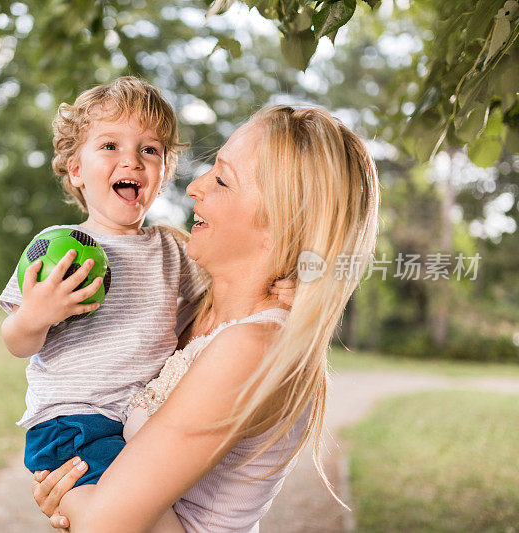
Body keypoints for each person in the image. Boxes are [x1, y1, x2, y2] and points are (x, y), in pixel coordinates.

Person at [29, 104, 380, 532]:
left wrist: (71, 498)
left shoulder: (253, 347)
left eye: (222, 180)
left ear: (283, 223)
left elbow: (108, 524)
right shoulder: (194, 313)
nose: (194, 186)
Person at [0, 77, 294, 490]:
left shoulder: (171, 247)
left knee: (152, 498)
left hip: (138, 418)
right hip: (74, 421)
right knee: (120, 507)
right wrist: (35, 317)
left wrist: (280, 287)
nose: (132, 161)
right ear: (77, 169)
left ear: (163, 172)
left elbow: (223, 297)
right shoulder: (55, 249)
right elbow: (16, 342)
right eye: (110, 146)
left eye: (149, 150)